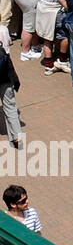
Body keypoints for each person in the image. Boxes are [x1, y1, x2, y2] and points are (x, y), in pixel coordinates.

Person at [0, 20, 23, 150]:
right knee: (11, 108)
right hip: (4, 75)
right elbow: (7, 51)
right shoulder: (3, 29)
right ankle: (17, 141)